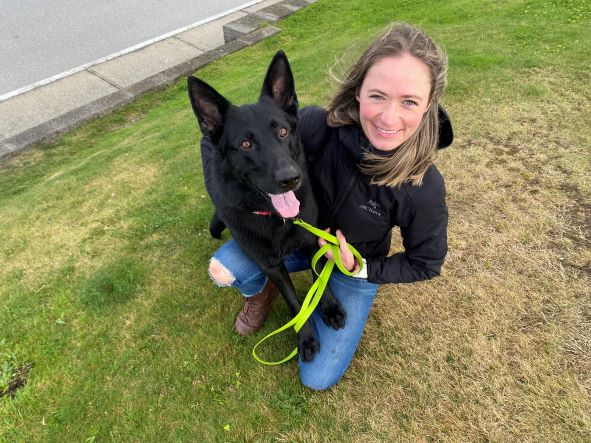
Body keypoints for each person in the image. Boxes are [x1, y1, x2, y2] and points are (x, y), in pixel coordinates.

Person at [203, 22, 453, 390]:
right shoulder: (317, 126)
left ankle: (332, 288)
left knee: (317, 377)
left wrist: (362, 266)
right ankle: (268, 290)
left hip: (351, 265)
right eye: (378, 96)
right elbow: (217, 147)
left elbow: (426, 263)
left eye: (409, 101)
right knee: (225, 267)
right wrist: (226, 197)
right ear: (358, 92)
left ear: (430, 103)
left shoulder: (423, 187)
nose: (388, 118)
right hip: (296, 238)